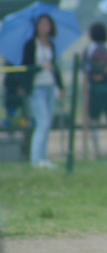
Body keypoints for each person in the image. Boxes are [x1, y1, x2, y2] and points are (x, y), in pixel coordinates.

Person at [20, 13, 66, 168]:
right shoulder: (31, 44)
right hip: (37, 87)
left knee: (48, 122)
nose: (44, 27)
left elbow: (55, 68)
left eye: (47, 24)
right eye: (41, 24)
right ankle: (36, 159)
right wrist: (40, 67)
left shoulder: (51, 44)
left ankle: (43, 157)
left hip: (50, 86)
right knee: (43, 121)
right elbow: (25, 67)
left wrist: (61, 87)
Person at [82, 22, 107, 157]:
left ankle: (97, 150)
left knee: (95, 120)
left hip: (96, 90)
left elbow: (85, 68)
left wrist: (97, 75)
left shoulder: (89, 49)